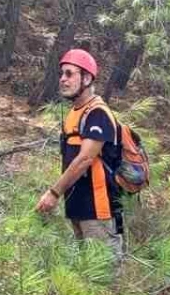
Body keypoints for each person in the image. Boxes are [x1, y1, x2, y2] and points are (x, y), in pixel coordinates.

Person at [35, 49, 124, 263]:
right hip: (77, 207)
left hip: (99, 211)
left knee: (102, 278)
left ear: (86, 78)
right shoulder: (75, 113)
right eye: (62, 74)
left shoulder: (98, 113)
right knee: (85, 275)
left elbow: (85, 159)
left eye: (69, 74)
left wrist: (54, 193)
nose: (62, 79)